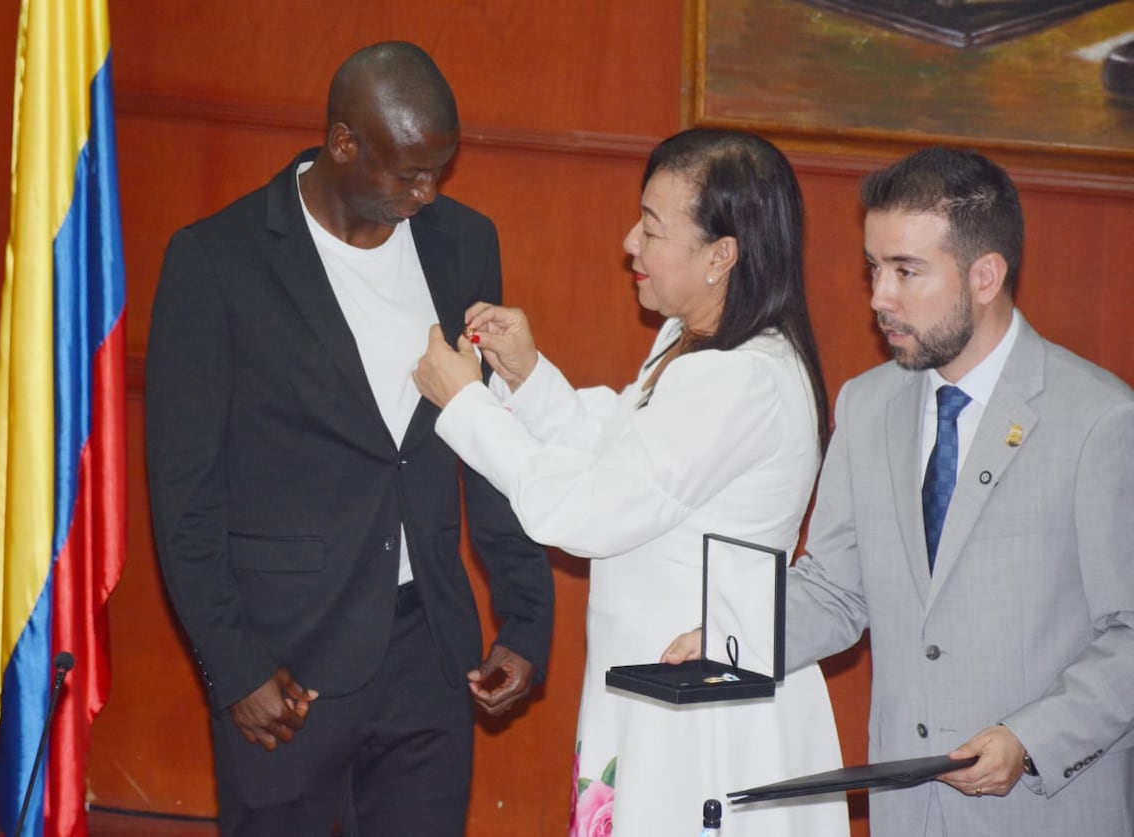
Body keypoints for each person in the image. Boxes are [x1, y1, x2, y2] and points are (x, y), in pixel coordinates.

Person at [144, 41, 554, 837]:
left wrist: (525, 619)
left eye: (439, 168)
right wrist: (233, 665)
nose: (427, 192)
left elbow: (489, 438)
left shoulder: (463, 243)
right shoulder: (216, 262)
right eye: (406, 173)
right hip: (285, 666)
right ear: (342, 144)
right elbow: (184, 494)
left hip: (431, 653)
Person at [671, 146, 1134, 836]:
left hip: (1043, 812)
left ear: (985, 274)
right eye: (874, 268)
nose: (879, 296)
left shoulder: (1099, 419)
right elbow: (835, 586)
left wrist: (1029, 739)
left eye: (906, 271)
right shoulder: (866, 405)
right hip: (904, 813)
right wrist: (735, 636)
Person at [414, 129, 849, 836]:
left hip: (700, 703)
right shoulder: (694, 341)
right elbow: (624, 453)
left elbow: (590, 511)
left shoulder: (740, 378)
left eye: (651, 227)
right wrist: (527, 375)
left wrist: (465, 405)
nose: (629, 243)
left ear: (721, 255)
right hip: (659, 685)